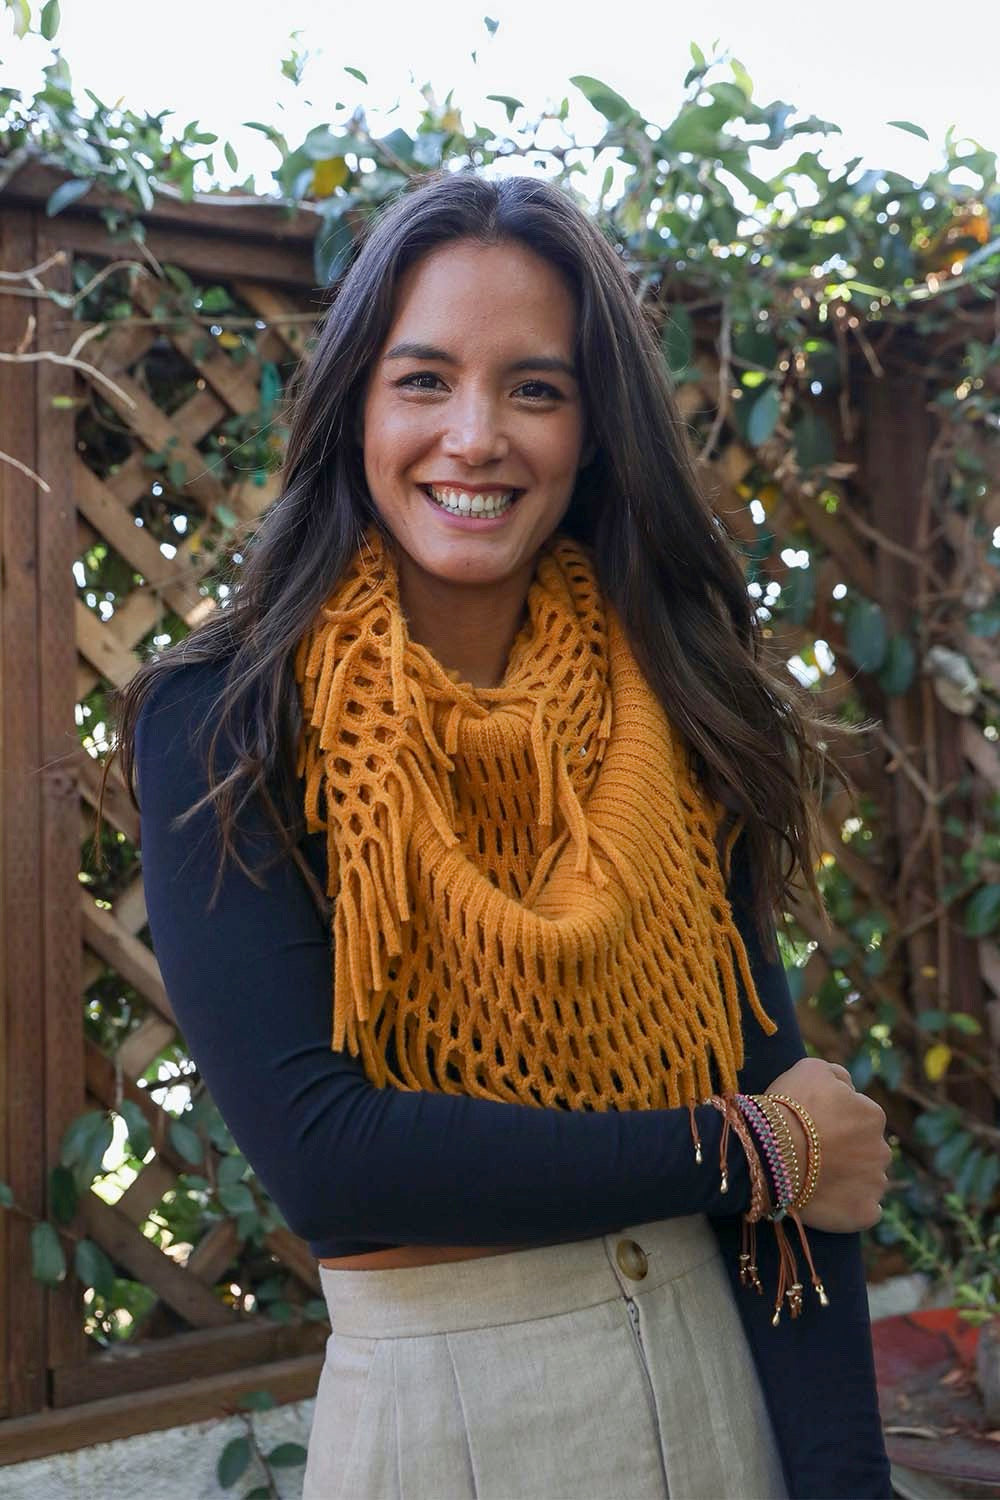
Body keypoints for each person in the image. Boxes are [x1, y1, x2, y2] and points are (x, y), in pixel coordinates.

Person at [104, 170, 893, 1499]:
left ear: (593, 430)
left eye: (535, 388)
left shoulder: (677, 698)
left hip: (721, 1405)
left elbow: (793, 1156)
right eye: (423, 380)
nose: (474, 437)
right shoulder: (229, 717)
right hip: (445, 1424)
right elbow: (332, 1161)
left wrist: (845, 1484)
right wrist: (752, 1151)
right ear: (355, 407)